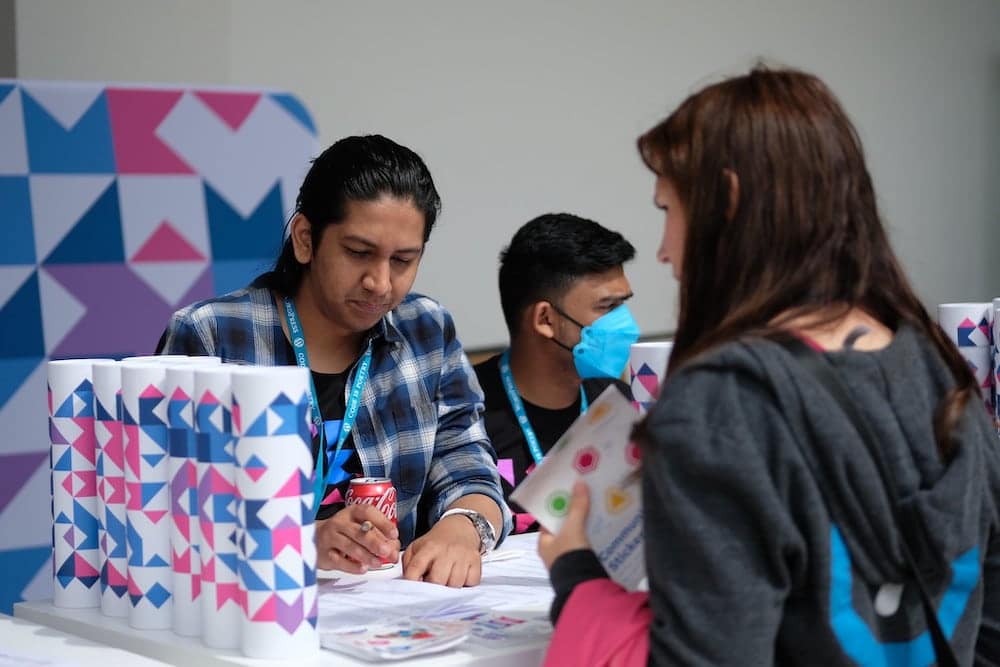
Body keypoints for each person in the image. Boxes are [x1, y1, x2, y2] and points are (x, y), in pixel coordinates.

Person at [537, 67, 1000, 665]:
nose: (665, 250)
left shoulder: (722, 400)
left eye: (669, 210)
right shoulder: (931, 357)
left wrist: (576, 574)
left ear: (727, 202)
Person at [157, 134, 510, 587]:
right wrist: (302, 541)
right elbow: (165, 508)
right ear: (306, 239)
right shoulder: (213, 334)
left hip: (390, 608)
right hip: (249, 602)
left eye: (403, 260)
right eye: (359, 253)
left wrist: (462, 529)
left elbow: (466, 459)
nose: (380, 283)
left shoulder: (425, 327)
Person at [473, 213, 637, 533]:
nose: (625, 325)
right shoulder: (464, 412)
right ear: (546, 319)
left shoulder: (622, 403)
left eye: (623, 305)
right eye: (607, 307)